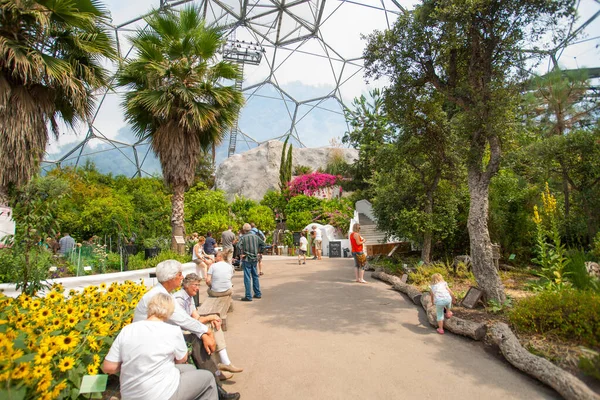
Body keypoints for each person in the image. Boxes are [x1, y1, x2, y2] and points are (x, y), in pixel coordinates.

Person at [132, 260, 240, 400]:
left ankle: (216, 385)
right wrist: (206, 333)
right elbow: (183, 320)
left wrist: (204, 332)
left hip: (156, 339)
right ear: (171, 278)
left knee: (198, 339)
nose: (182, 277)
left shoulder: (162, 293)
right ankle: (216, 387)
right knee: (197, 341)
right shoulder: (161, 296)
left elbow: (185, 318)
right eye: (179, 274)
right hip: (152, 343)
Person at [102, 293, 218, 400]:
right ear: (170, 311)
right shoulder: (172, 330)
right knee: (207, 378)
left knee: (190, 370)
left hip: (130, 394)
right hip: (160, 394)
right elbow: (182, 359)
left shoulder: (127, 329)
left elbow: (108, 367)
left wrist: (134, 363)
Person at [174, 273, 243, 375]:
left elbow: (196, 317)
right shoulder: (179, 299)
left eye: (198, 285)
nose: (197, 288)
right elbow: (187, 323)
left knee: (213, 324)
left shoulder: (189, 297)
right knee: (206, 331)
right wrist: (211, 317)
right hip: (180, 332)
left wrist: (212, 319)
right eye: (195, 285)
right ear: (186, 285)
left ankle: (224, 363)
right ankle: (218, 369)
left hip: (189, 327)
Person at [236, 223, 265, 301]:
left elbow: (238, 246)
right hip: (255, 259)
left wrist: (241, 254)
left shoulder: (243, 237)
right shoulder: (256, 237)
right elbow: (263, 244)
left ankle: (248, 296)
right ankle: (258, 293)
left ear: (244, 230)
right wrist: (260, 252)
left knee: (247, 277)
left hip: (247, 259)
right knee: (255, 276)